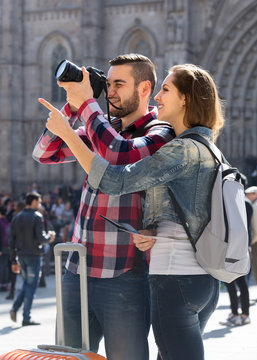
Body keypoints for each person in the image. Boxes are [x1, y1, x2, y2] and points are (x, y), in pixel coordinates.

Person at [37, 63, 223, 360]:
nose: (109, 93)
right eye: (107, 84)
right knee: (67, 356)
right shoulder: (103, 131)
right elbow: (45, 153)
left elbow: (117, 159)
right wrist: (72, 109)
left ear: (144, 88)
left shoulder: (163, 133)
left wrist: (85, 106)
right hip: (78, 266)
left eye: (118, 84)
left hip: (125, 273)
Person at [9, 192, 55, 326]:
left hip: (21, 255)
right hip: (33, 256)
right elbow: (41, 238)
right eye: (39, 202)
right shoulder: (37, 216)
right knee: (31, 286)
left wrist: (13, 260)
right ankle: (26, 317)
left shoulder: (17, 217)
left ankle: (15, 308)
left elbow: (11, 241)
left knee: (26, 284)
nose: (40, 205)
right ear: (34, 201)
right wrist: (50, 238)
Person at [220, 181, 253, 326]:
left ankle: (237, 314)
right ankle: (242, 314)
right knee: (240, 282)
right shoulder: (245, 202)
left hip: (235, 246)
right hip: (242, 245)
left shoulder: (239, 202)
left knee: (233, 281)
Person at [245, 186, 257, 299]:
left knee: (256, 267)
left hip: (256, 242)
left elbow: (256, 229)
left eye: (250, 193)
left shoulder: (256, 206)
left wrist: (252, 241)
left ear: (256, 194)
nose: (247, 195)